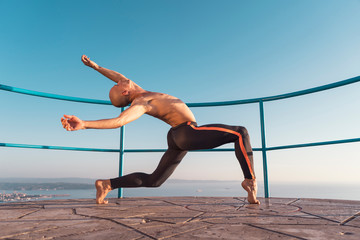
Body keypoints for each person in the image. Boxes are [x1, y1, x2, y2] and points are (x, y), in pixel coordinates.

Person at [61, 55, 260, 205]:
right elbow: (120, 121)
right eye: (118, 83)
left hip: (176, 135)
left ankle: (108, 184)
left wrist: (95, 67)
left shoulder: (140, 91)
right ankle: (250, 181)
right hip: (186, 131)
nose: (119, 78)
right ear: (124, 91)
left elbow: (118, 76)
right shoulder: (142, 102)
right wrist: (85, 123)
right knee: (240, 133)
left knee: (155, 180)